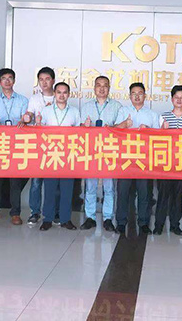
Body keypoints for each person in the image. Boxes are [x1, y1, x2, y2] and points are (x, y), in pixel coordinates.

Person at [0, 68, 31, 226]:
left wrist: (25, 121)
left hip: (17, 144)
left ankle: (15, 213)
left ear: (14, 81)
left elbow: (26, 120)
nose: (7, 81)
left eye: (10, 78)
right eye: (4, 78)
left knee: (15, 180)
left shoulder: (23, 100)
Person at [114, 82, 161, 235]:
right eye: (134, 93)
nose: (137, 96)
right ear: (130, 96)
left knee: (144, 193)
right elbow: (114, 131)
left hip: (144, 160)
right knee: (122, 192)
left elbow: (159, 137)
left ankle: (144, 222)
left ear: (145, 96)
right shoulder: (123, 111)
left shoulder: (152, 114)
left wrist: (149, 130)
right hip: (125, 159)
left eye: (140, 93)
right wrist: (125, 124)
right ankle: (121, 222)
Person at [154, 85, 182, 236]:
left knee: (178, 195)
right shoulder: (163, 117)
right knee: (163, 194)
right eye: (176, 97)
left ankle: (175, 225)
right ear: (172, 99)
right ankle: (159, 225)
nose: (179, 100)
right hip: (165, 163)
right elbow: (156, 140)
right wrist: (162, 130)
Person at [79, 76, 123, 232]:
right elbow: (79, 128)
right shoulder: (86, 107)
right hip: (91, 151)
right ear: (94, 88)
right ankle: (90, 217)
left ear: (109, 88)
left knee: (109, 187)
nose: (102, 88)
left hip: (109, 151)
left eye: (105, 85)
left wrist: (111, 128)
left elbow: (121, 128)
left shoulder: (117, 106)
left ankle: (107, 218)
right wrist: (84, 126)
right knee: (90, 186)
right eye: (99, 85)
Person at [38, 82, 82, 231]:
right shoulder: (46, 111)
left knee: (67, 189)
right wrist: (37, 124)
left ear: (69, 94)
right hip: (50, 154)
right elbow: (40, 132)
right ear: (54, 94)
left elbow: (79, 133)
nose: (61, 95)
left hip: (68, 155)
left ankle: (65, 219)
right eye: (59, 92)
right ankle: (47, 219)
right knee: (49, 189)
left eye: (64, 92)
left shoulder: (74, 112)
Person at [26, 67, 56, 224]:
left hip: (56, 145)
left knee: (53, 182)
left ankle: (52, 212)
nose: (44, 82)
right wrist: (27, 117)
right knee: (36, 181)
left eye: (47, 79)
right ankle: (34, 212)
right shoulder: (34, 99)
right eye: (41, 79)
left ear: (53, 80)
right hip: (38, 144)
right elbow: (29, 115)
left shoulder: (59, 96)